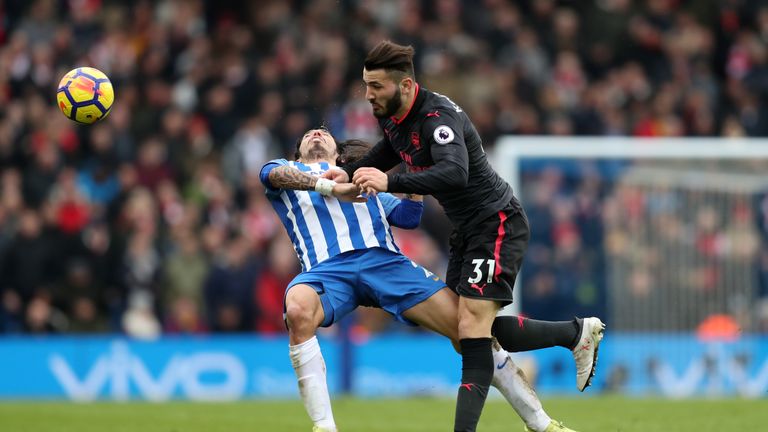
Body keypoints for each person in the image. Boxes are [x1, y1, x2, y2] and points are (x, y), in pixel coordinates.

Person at [323, 41, 605, 432]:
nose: (367, 95)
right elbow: (391, 148)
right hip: (469, 229)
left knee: (472, 331)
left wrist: (389, 182)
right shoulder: (393, 117)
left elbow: (455, 172)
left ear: (405, 86)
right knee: (464, 328)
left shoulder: (438, 118)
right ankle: (576, 333)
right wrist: (352, 170)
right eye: (366, 85)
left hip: (496, 221)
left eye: (376, 86)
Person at [261, 128, 591, 432]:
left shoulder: (364, 184)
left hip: (385, 263)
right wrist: (331, 187)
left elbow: (408, 217)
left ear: (339, 153)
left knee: (469, 332)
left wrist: (412, 180)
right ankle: (325, 427)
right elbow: (274, 175)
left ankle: (542, 424)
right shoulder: (287, 172)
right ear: (298, 152)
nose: (316, 134)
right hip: (326, 270)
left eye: (324, 134)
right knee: (299, 309)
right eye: (308, 135)